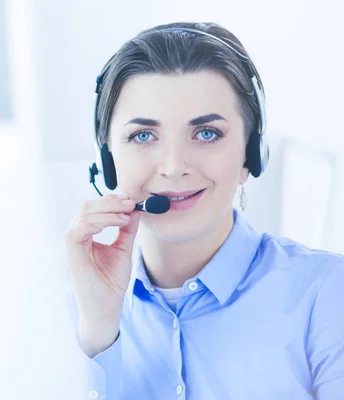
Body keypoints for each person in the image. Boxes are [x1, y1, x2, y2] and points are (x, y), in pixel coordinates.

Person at [64, 21, 344, 400]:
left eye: (207, 133)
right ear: (108, 159)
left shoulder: (326, 295)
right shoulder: (84, 307)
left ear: (251, 153)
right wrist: (100, 333)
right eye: (143, 136)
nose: (174, 166)